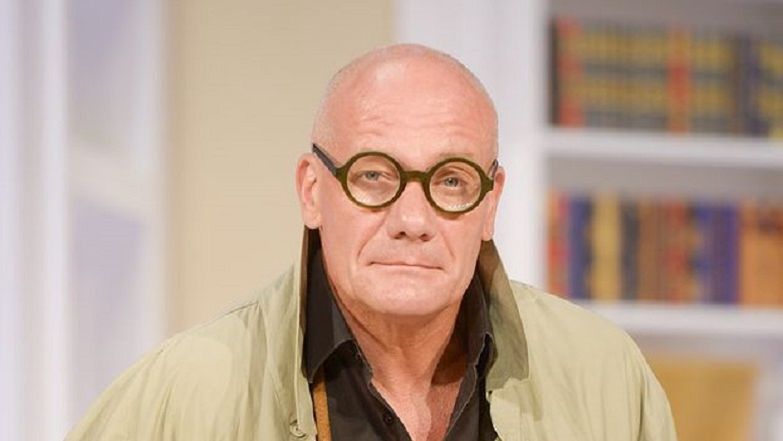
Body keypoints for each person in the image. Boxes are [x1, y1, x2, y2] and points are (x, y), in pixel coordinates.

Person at [67, 44, 676, 441]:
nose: (412, 219)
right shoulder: (180, 397)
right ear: (312, 191)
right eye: (375, 176)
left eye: (452, 181)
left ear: (490, 203)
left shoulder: (606, 376)